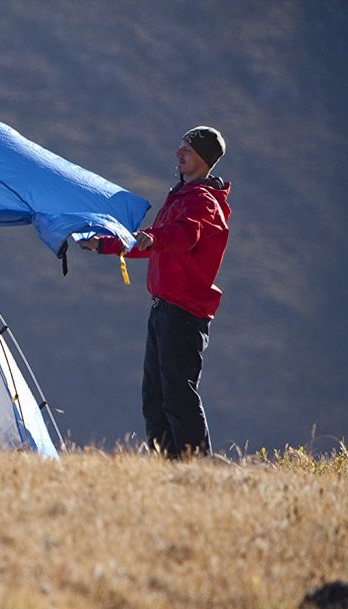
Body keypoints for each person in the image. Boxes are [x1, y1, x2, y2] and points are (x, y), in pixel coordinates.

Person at [81, 127, 231, 458]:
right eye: (180, 147)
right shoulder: (182, 196)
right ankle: (166, 465)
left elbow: (184, 235)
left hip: (183, 313)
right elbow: (152, 241)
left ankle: (195, 465)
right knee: (155, 396)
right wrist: (105, 245)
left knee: (177, 393)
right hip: (163, 309)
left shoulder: (203, 202)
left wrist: (157, 238)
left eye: (187, 150)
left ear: (204, 158)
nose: (179, 153)